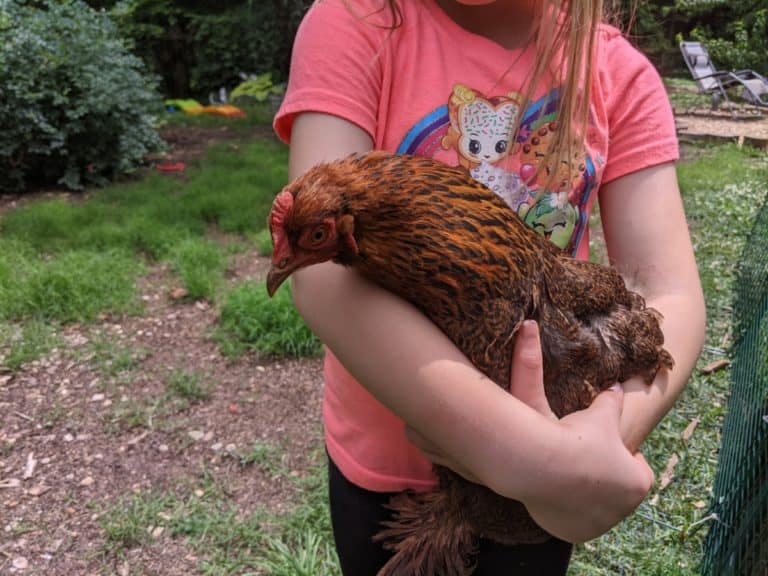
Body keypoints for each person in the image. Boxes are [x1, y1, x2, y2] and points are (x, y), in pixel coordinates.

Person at [273, 1, 706, 574]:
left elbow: (669, 292)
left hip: (540, 495)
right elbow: (323, 274)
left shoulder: (616, 73)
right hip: (390, 475)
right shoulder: (359, 21)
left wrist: (582, 450)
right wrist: (530, 454)